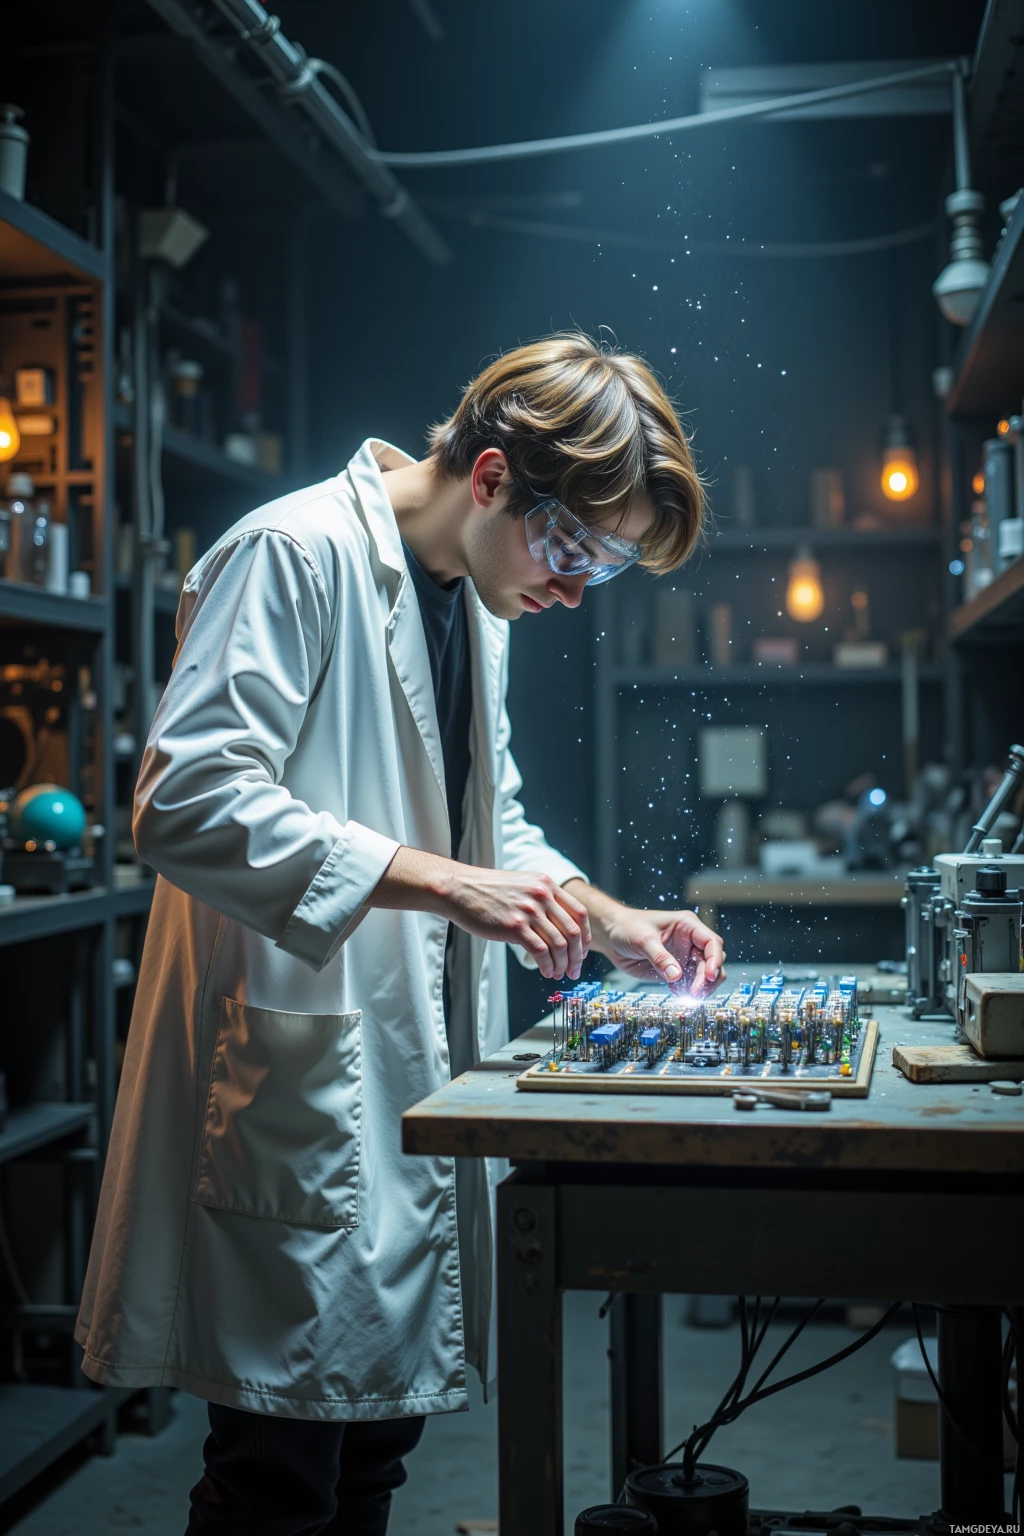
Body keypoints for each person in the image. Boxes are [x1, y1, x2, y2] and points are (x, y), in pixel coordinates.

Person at [75, 332, 725, 1534]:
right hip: (290, 1081)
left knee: (372, 1454)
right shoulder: (292, 553)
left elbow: (495, 823)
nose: (577, 589)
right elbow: (185, 803)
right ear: (488, 477)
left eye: (607, 570)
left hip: (397, 1083)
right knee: (278, 1477)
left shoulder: (477, 601)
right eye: (574, 548)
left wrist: (610, 919)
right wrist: (443, 883)